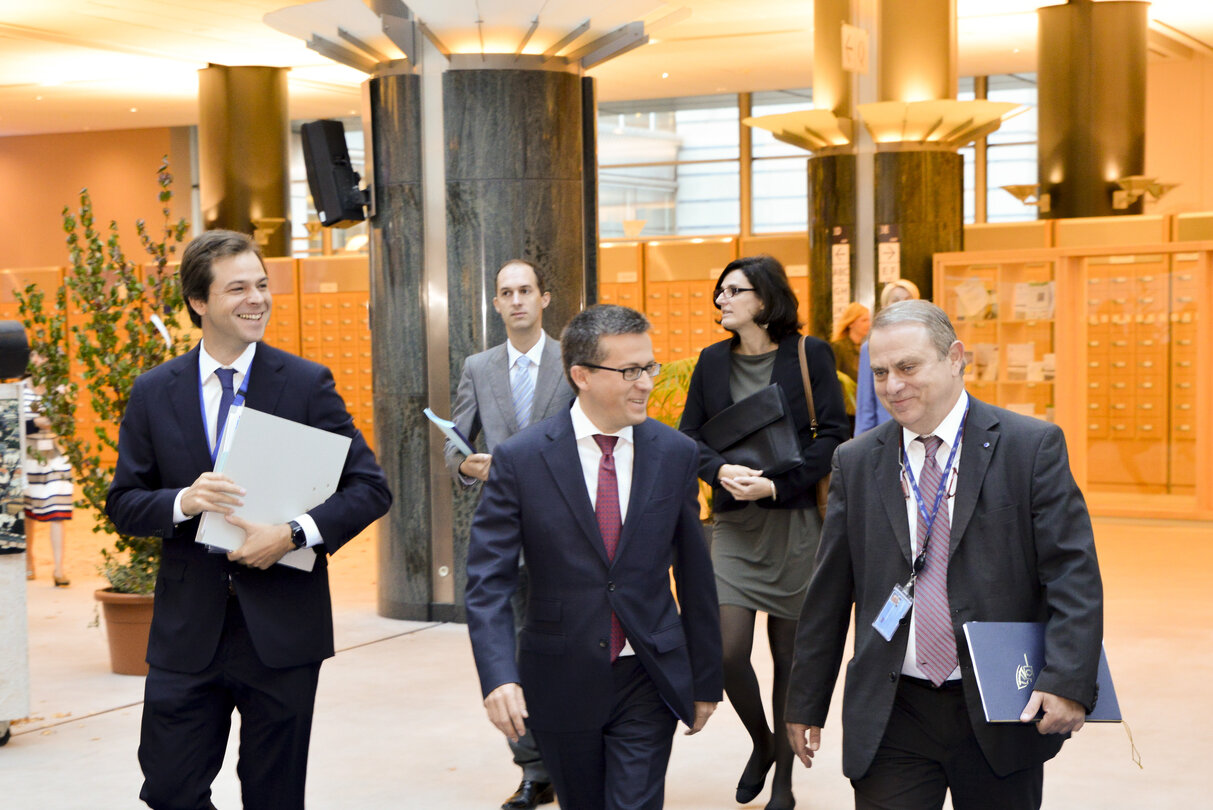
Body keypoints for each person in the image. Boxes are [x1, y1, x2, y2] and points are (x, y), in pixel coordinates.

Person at [106, 229, 391, 810]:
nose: (256, 298)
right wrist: (184, 501)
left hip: (283, 631)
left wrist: (291, 534)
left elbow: (369, 487)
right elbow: (124, 502)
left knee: (275, 796)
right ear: (198, 302)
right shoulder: (154, 392)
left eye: (261, 285)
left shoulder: (307, 385)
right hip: (188, 633)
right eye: (237, 288)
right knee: (169, 788)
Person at [786, 300, 1103, 810]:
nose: (893, 385)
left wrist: (1068, 680)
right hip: (894, 707)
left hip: (1002, 706)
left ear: (956, 357)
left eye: (908, 367)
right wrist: (806, 700)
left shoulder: (1030, 446)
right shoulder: (857, 459)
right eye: (881, 372)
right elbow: (829, 591)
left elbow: (1072, 575)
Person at [466, 304, 723, 810]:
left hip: (647, 672)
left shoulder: (674, 453)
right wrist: (498, 675)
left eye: (649, 367)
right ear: (581, 375)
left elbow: (695, 575)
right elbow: (487, 582)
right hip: (561, 676)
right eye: (629, 371)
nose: (646, 383)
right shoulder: (522, 459)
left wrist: (707, 678)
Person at [679, 255, 848, 810]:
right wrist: (719, 471)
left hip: (796, 523)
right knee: (726, 651)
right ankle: (764, 742)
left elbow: (834, 437)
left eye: (734, 290)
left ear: (766, 298)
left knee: (787, 661)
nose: (720, 300)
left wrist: (778, 487)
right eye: (719, 291)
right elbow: (690, 441)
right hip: (732, 525)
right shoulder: (710, 363)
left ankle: (784, 783)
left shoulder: (810, 354)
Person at [444, 258, 573, 810]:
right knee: (513, 654)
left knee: (567, 650)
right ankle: (533, 770)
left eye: (526, 290)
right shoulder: (479, 366)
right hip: (504, 529)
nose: (516, 300)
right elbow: (455, 440)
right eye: (506, 292)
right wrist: (465, 464)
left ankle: (575, 756)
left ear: (545, 298)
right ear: (495, 304)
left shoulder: (574, 362)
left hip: (568, 530)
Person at [23, 376, 72, 586]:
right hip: (27, 458)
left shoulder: (58, 387)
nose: (39, 360)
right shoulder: (19, 389)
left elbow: (67, 422)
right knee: (27, 514)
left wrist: (58, 419)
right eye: (35, 355)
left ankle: (59, 569)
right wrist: (35, 423)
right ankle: (28, 561)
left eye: (43, 356)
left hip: (54, 457)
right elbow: (10, 423)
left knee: (58, 510)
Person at [854, 279, 919, 436]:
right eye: (895, 301)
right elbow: (866, 406)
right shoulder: (870, 347)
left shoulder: (928, 343)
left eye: (908, 300)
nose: (902, 305)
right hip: (887, 436)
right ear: (885, 307)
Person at [830, 301, 870, 382]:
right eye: (864, 320)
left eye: (869, 320)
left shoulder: (866, 348)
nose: (869, 324)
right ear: (851, 323)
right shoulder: (839, 347)